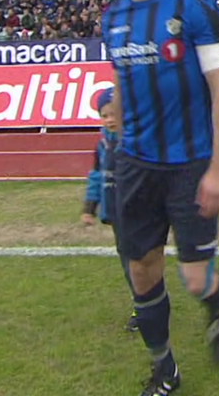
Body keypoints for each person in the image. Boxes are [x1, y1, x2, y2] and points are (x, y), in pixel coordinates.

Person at [101, 0, 219, 396]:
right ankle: (165, 369)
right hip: (135, 163)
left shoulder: (195, 7)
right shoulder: (113, 17)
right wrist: (114, 113)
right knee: (141, 268)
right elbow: (121, 77)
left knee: (197, 278)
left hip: (190, 164)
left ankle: (217, 313)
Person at [82, 87, 138, 334]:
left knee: (142, 258)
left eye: (115, 114)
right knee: (127, 259)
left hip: (138, 210)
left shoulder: (137, 141)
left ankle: (150, 303)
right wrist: (89, 208)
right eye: (105, 115)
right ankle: (141, 304)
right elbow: (95, 177)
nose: (111, 120)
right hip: (115, 212)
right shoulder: (101, 146)